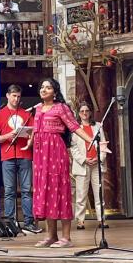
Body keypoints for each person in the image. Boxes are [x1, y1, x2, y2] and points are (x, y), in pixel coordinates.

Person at [26, 78, 108, 248]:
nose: (43, 89)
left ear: (55, 92)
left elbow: (75, 127)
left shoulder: (61, 108)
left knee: (59, 192)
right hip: (40, 156)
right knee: (46, 192)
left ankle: (66, 237)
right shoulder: (38, 109)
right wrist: (30, 143)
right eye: (42, 87)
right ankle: (51, 236)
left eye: (48, 88)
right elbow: (35, 129)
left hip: (55, 153)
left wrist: (92, 141)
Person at [0, 84, 41, 234]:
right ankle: (11, 222)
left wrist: (28, 138)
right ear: (7, 96)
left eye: (18, 96)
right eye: (14, 96)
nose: (16, 99)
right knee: (9, 191)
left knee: (26, 190)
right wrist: (8, 135)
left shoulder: (26, 115)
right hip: (7, 156)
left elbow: (33, 133)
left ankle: (28, 222)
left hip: (24, 155)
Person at [71, 103, 108, 230]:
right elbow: (73, 148)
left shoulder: (98, 126)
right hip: (83, 164)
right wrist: (84, 159)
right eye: (82, 111)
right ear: (79, 113)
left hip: (96, 163)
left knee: (99, 193)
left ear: (90, 112)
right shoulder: (75, 128)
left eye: (87, 110)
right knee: (81, 194)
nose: (85, 113)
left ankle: (101, 219)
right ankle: (80, 220)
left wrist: (99, 158)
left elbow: (103, 144)